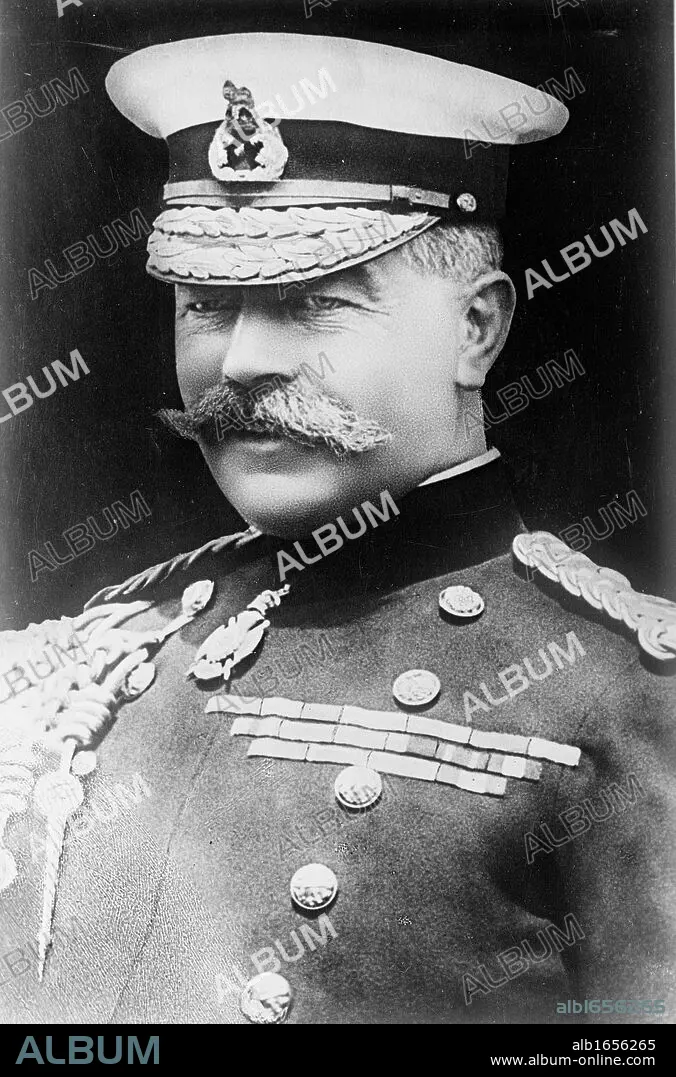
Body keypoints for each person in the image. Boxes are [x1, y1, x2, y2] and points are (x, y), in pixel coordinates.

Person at [0, 33, 674, 1026]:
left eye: (312, 304)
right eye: (207, 305)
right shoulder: (104, 654)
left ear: (478, 330)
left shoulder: (618, 703)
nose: (241, 363)